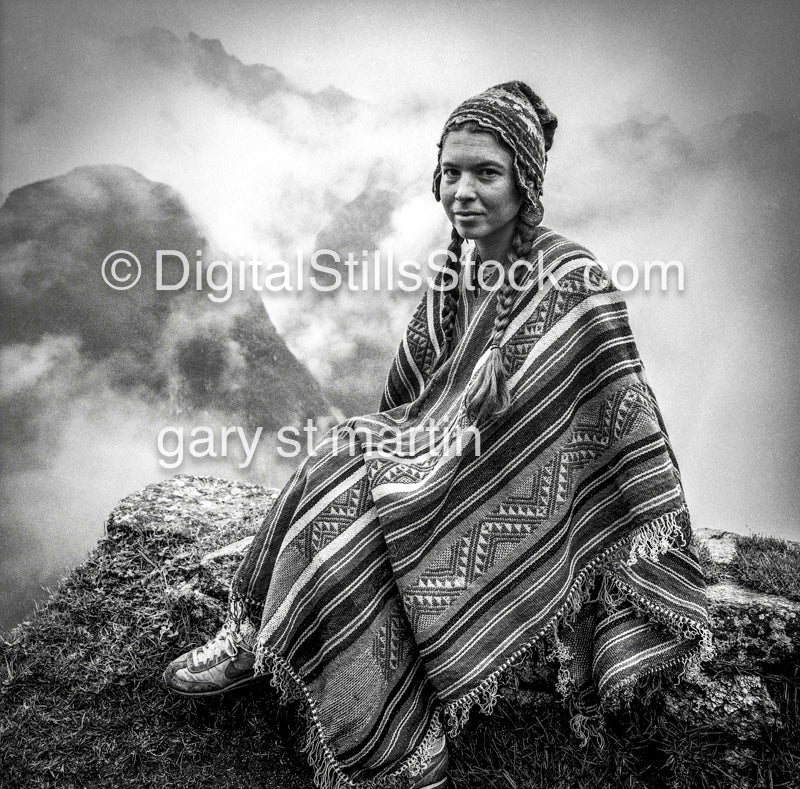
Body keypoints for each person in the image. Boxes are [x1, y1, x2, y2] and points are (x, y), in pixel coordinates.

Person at [162, 81, 713, 789]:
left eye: (486, 172)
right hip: (443, 454)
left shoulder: (572, 276)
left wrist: (438, 459)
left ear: (525, 179)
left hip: (518, 489)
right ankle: (253, 637)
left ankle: (406, 745)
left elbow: (615, 412)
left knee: (362, 529)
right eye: (451, 171)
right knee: (339, 453)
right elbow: (414, 400)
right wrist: (408, 449)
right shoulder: (456, 271)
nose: (463, 190)